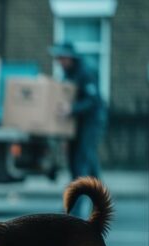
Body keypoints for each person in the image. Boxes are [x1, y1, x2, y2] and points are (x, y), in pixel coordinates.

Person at [49, 41, 106, 216]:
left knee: (82, 163)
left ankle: (76, 210)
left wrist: (71, 109)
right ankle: (97, 203)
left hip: (91, 122)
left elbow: (93, 101)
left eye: (61, 57)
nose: (59, 61)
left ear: (70, 57)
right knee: (85, 166)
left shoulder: (85, 71)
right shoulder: (68, 73)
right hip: (76, 124)